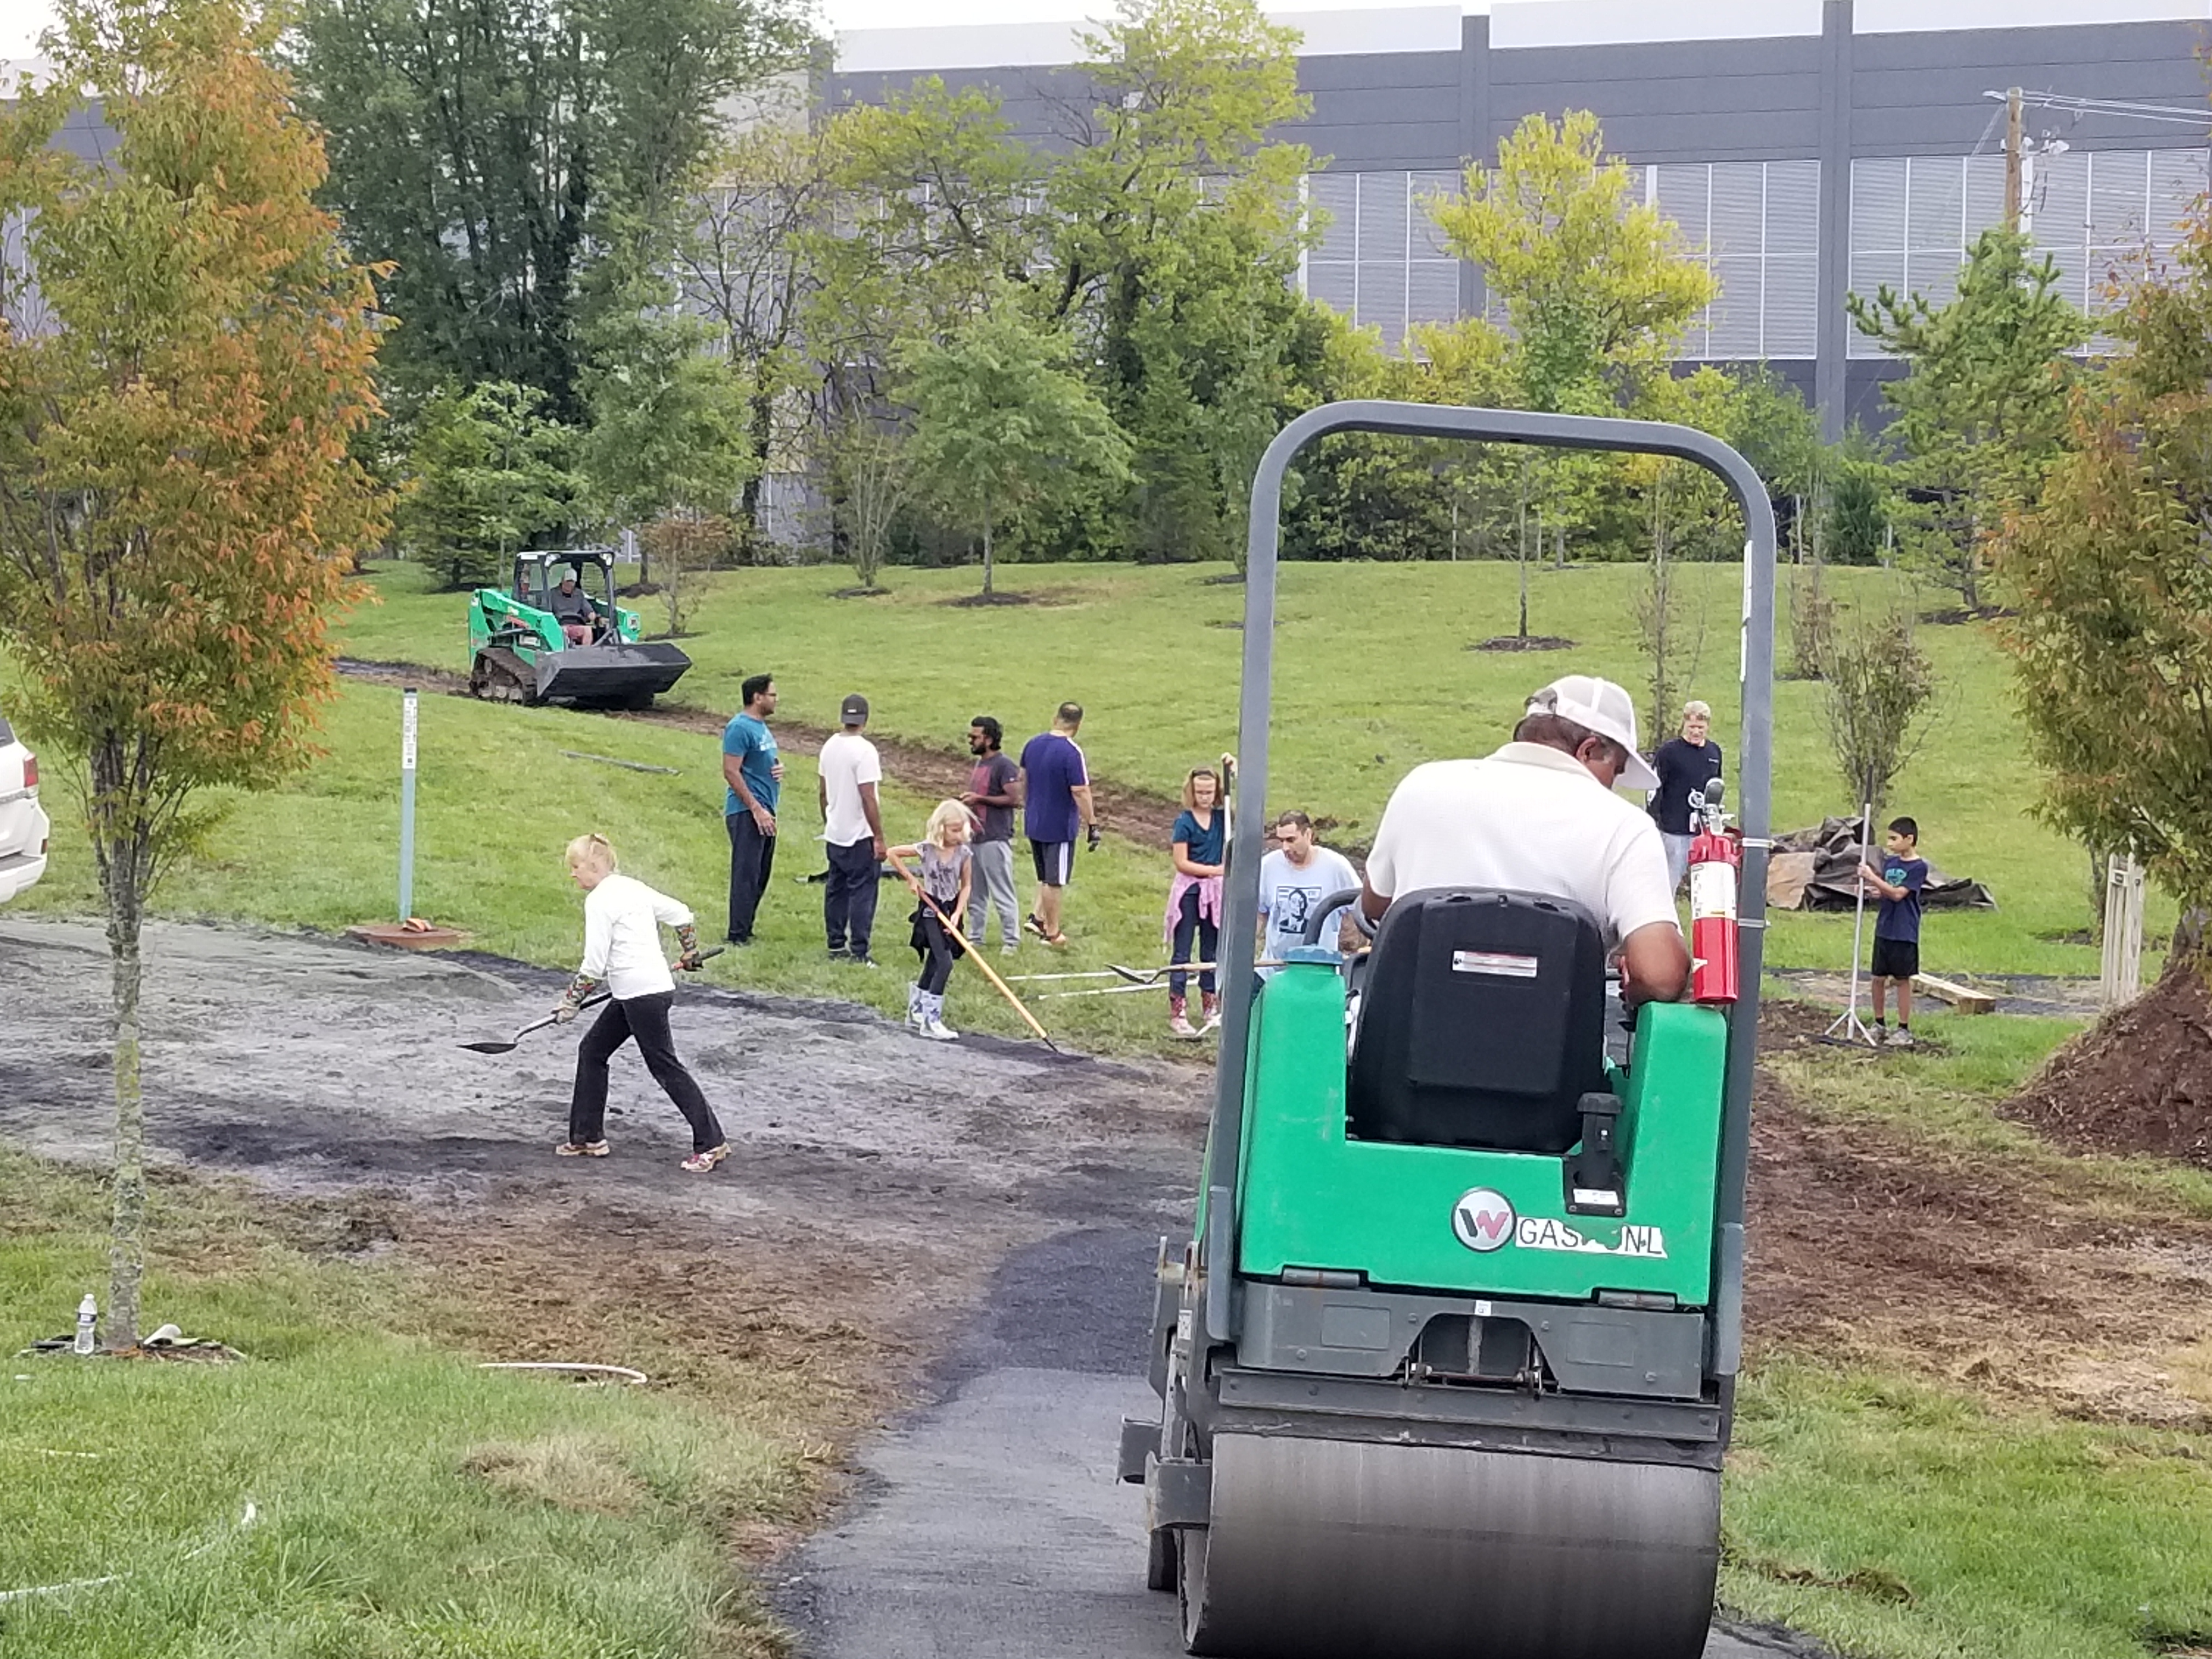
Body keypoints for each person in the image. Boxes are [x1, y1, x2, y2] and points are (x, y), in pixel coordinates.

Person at [1360, 675, 1689, 1007]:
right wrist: (1636, 987)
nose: (1613, 785)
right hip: (1552, 1054)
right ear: (1588, 751)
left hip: (1405, 1047)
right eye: (1617, 771)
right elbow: (1661, 976)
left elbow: (1375, 905)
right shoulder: (1624, 827)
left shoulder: (1421, 786)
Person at [552, 833, 727, 1172]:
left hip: (641, 994)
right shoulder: (632, 887)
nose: (573, 874)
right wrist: (689, 950)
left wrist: (571, 1001)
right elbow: (681, 914)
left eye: (576, 867)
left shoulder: (600, 900)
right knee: (593, 1051)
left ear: (595, 865)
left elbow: (594, 964)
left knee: (664, 1065)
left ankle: (711, 1143)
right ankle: (587, 1136)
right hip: (642, 990)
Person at [891, 800, 975, 1042]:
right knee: (944, 963)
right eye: (953, 830)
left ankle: (916, 1012)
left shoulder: (964, 853)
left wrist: (958, 914)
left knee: (933, 962)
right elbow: (893, 853)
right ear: (941, 828)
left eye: (961, 829)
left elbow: (967, 885)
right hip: (930, 909)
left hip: (950, 910)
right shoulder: (927, 849)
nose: (958, 835)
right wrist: (911, 880)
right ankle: (931, 1021)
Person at [1019, 702, 1097, 947]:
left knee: (1044, 875)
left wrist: (1029, 804)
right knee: (1055, 880)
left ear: (1056, 718)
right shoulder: (1072, 752)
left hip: (1035, 820)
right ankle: (1052, 933)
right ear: (1078, 725)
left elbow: (1023, 779)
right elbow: (1080, 791)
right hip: (1059, 826)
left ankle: (1037, 918)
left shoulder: (1032, 744)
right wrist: (1092, 823)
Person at [819, 692, 887, 964]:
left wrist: (828, 821)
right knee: (863, 891)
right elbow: (868, 796)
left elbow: (823, 792)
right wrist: (879, 837)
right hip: (860, 834)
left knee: (836, 888)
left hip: (835, 832)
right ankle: (860, 950)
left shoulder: (829, 746)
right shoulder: (865, 751)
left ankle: (836, 943)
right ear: (865, 719)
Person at [1164, 766, 1227, 1039]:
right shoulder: (1185, 822)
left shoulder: (1223, 819)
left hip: (1215, 893)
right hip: (1190, 892)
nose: (1204, 797)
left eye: (1209, 792)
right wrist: (1215, 871)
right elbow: (1181, 862)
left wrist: (1232, 771)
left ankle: (1210, 1006)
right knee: (1182, 952)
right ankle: (1178, 1011)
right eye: (1199, 792)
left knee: (1210, 952)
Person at [721, 674, 783, 944]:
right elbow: (731, 772)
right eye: (772, 695)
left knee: (761, 873)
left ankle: (747, 927)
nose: (776, 700)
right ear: (757, 698)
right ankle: (737, 934)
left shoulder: (760, 727)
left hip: (767, 808)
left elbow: (760, 760)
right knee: (746, 873)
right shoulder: (739, 727)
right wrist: (756, 809)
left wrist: (777, 769)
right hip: (747, 811)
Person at [1257, 810, 1361, 970]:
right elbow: (1259, 913)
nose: (1285, 847)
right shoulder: (1269, 866)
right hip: (1274, 969)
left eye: (1291, 840)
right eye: (1282, 841)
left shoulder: (1336, 867)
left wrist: (1352, 948)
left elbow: (1359, 907)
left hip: (1320, 970)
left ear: (1308, 835)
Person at [1859, 816, 1929, 1048]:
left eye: (1894, 839)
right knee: (1878, 978)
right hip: (1885, 927)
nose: (1889, 844)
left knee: (1901, 980)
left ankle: (1903, 1028)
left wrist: (1873, 878)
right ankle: (1879, 1024)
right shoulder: (1891, 863)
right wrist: (1874, 891)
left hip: (1904, 930)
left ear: (1910, 839)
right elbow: (1888, 893)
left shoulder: (1919, 867)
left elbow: (1899, 894)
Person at [962, 715, 1024, 956]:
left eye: (975, 737)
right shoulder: (981, 764)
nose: (971, 740)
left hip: (995, 838)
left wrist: (980, 799)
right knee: (974, 891)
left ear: (988, 739)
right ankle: (975, 938)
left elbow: (1015, 799)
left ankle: (1011, 940)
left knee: (1001, 890)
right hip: (975, 838)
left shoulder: (1004, 765)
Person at [1648, 699, 1724, 892]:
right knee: (1670, 878)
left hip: (1702, 829)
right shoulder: (1670, 752)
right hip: (1673, 828)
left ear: (1707, 726)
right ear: (1684, 725)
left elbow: (1715, 788)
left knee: (1704, 879)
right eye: (1692, 727)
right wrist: (1653, 821)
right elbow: (1654, 787)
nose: (1696, 732)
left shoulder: (1714, 753)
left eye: (1700, 727)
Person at [550, 573, 597, 647]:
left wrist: (592, 615)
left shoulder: (579, 594)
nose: (570, 584)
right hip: (560, 625)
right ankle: (564, 654)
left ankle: (585, 653)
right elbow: (548, 611)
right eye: (568, 581)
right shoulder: (552, 594)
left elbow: (588, 610)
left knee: (588, 630)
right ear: (562, 581)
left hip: (577, 623)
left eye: (572, 582)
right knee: (563, 632)